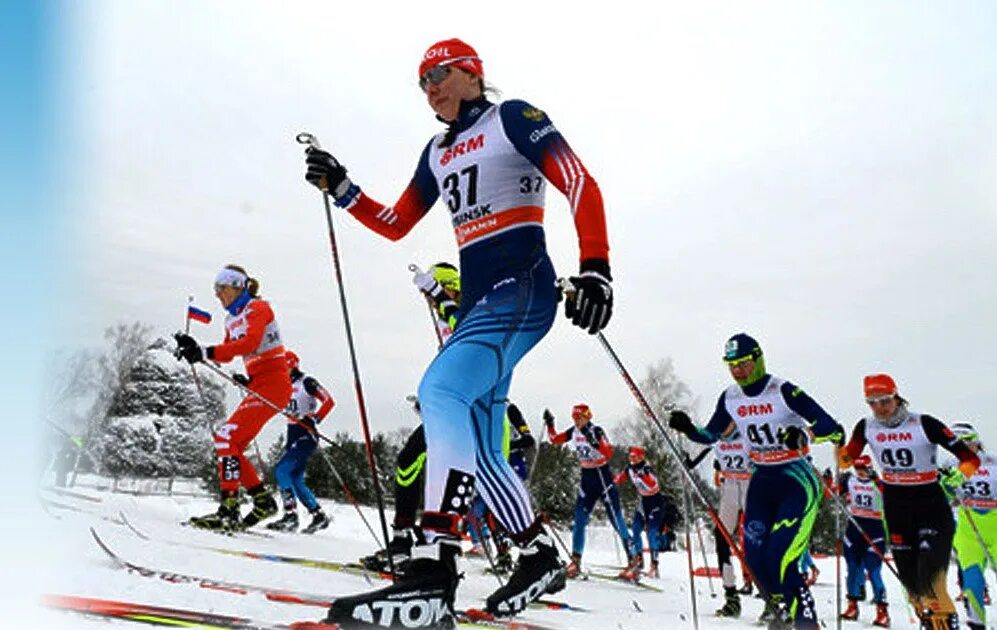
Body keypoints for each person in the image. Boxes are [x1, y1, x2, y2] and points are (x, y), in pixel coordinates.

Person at [305, 42, 615, 618]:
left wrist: (596, 267)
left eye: (438, 74)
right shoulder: (437, 150)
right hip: (479, 305)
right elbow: (398, 223)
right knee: (479, 439)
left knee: (440, 392)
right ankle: (538, 553)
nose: (430, 88)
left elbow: (579, 183)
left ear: (472, 72)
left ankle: (433, 563)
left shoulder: (512, 117)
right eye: (421, 81)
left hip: (521, 288)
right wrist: (343, 188)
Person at [668, 333, 845, 629]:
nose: (739, 371)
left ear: (758, 359)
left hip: (796, 480)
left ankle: (806, 620)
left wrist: (805, 436)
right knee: (754, 557)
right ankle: (780, 612)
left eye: (744, 364)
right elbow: (712, 435)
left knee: (781, 553)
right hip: (762, 481)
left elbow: (832, 426)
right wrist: (689, 429)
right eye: (732, 365)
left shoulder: (782, 390)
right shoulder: (731, 397)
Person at [839, 374, 980, 630]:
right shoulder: (866, 427)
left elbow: (970, 459)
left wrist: (961, 475)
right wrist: (837, 444)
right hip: (896, 508)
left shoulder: (923, 423)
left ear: (896, 396)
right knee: (912, 586)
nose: (880, 408)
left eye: (885, 400)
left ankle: (946, 623)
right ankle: (929, 623)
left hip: (930, 505)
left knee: (931, 578)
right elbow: (846, 459)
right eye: (872, 402)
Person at [174, 264, 291, 530]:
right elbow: (228, 352)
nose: (217, 295)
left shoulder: (258, 309)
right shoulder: (231, 318)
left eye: (221, 288)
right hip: (259, 384)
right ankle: (262, 501)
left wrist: (206, 351)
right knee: (230, 443)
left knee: (226, 437)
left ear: (238, 286)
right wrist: (196, 349)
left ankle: (229, 509)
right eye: (215, 289)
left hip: (274, 384)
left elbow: (249, 344)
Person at [545, 403, 634, 578]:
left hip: (603, 478)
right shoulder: (574, 431)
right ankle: (576, 561)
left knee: (617, 521)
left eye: (580, 418)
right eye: (574, 418)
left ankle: (634, 560)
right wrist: (550, 424)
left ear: (587, 417)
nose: (577, 421)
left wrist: (596, 443)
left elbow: (608, 453)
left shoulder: (596, 430)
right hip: (587, 479)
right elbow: (555, 439)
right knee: (579, 520)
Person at [266, 350, 335, 534]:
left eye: (285, 368)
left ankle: (290, 516)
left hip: (306, 434)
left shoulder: (307, 382)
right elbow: (264, 394)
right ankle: (318, 515)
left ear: (293, 366)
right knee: (295, 479)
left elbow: (329, 401)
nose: (283, 371)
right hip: (292, 433)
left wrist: (314, 418)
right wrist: (246, 383)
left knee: (281, 470)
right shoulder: (283, 385)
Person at [688, 427, 754, 616]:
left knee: (758, 541)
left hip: (752, 486)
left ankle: (773, 598)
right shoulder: (717, 438)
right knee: (721, 538)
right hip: (730, 488)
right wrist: (686, 430)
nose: (724, 427)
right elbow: (703, 442)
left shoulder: (748, 434)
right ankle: (731, 596)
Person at [942, 422, 996, 630]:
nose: (962, 449)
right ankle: (976, 623)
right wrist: (947, 486)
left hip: (995, 525)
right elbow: (943, 497)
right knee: (972, 579)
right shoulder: (950, 466)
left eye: (967, 443)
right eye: (956, 444)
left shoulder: (992, 463)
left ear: (976, 442)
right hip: (968, 528)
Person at [837, 454, 889, 627]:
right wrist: (835, 480)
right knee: (852, 568)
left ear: (870, 468)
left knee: (873, 570)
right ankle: (852, 604)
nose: (860, 472)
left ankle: (882, 610)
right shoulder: (851, 481)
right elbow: (833, 493)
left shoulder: (878, 483)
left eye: (863, 469)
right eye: (857, 468)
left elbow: (890, 496)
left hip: (874, 530)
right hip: (854, 528)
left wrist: (878, 481)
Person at [614, 446, 666, 580]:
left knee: (651, 533)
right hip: (643, 503)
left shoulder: (647, 469)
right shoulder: (630, 469)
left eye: (635, 457)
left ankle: (654, 565)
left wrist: (642, 475)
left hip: (655, 503)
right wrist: (611, 482)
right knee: (635, 529)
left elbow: (652, 484)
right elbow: (620, 478)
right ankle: (639, 559)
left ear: (642, 457)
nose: (632, 459)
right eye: (631, 457)